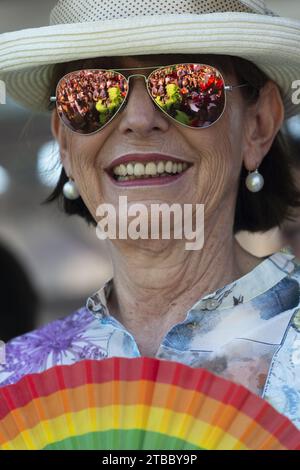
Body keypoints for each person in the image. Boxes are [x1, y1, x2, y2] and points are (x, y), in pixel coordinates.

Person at [0, 0, 300, 430]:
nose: (139, 120)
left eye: (187, 86)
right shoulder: (15, 383)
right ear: (64, 142)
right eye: (92, 93)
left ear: (259, 125)